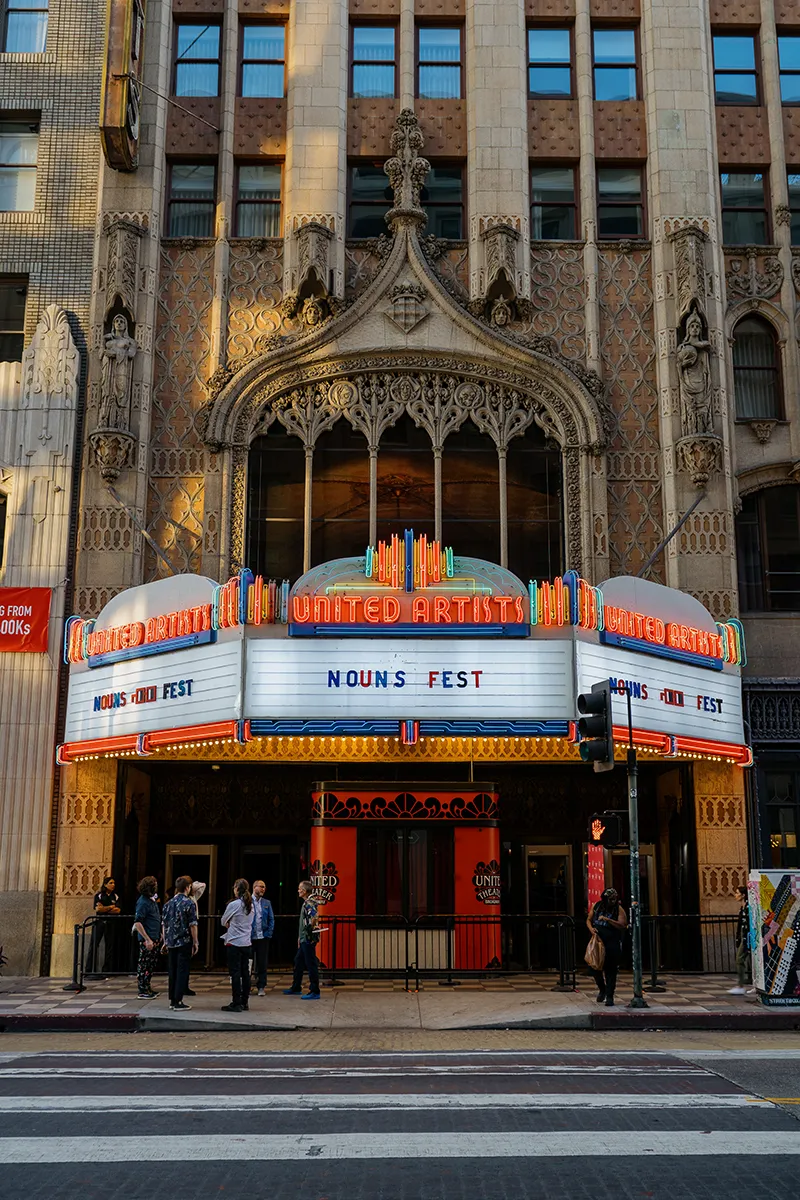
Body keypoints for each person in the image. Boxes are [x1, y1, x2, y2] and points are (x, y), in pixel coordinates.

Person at [161, 875, 198, 1011]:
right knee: (182, 970)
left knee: (172, 970)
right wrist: (196, 942)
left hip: (170, 941)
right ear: (187, 887)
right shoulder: (189, 903)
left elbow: (164, 924)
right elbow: (193, 924)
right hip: (184, 940)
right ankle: (178, 1000)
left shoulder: (168, 904)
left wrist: (165, 940)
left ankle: (172, 999)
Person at [586, 887, 628, 1007]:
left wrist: (608, 920)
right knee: (594, 967)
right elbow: (588, 920)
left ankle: (610, 995)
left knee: (610, 970)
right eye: (610, 899)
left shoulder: (618, 909)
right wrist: (591, 929)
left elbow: (622, 925)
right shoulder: (597, 906)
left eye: (614, 899)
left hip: (612, 942)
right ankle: (602, 989)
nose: (612, 901)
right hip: (598, 941)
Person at [283, 881, 321, 1000]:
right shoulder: (307, 902)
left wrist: (309, 930)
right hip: (304, 938)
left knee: (311, 964)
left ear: (304, 891)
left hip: (308, 939)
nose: (298, 891)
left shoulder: (309, 903)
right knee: (298, 961)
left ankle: (315, 990)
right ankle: (296, 986)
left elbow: (314, 916)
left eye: (300, 889)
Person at [220, 878, 253, 1013]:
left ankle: (236, 1002)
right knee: (246, 973)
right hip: (247, 942)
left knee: (235, 973)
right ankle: (245, 1001)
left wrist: (229, 923)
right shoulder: (251, 905)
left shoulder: (234, 904)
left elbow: (223, 921)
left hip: (234, 942)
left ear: (237, 889)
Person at [132, 875, 161, 999]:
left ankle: (147, 986)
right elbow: (138, 922)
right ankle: (142, 989)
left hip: (154, 937)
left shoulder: (151, 901)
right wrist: (147, 939)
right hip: (147, 939)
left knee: (150, 964)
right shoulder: (143, 902)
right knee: (144, 964)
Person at [86, 876, 120, 977]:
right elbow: (98, 909)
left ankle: (106, 970)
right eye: (111, 883)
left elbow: (118, 910)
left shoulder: (116, 896)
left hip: (111, 923)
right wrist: (110, 907)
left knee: (109, 947)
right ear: (105, 884)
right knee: (94, 945)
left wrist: (105, 908)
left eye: (114, 883)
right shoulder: (99, 896)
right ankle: (89, 970)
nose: (113, 885)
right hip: (100, 922)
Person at [250, 879, 275, 996]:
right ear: (254, 887)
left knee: (262, 962)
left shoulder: (266, 903)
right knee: (248, 962)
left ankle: (261, 986)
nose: (263, 889)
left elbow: (271, 919)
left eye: (264, 887)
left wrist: (269, 933)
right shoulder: (247, 901)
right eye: (261, 886)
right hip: (249, 937)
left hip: (262, 936)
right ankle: (247, 985)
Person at [729, 884, 754, 995]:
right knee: (746, 960)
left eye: (737, 893)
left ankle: (741, 985)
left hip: (749, 938)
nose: (735, 895)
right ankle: (745, 983)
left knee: (741, 959)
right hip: (745, 938)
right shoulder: (743, 908)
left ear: (743, 895)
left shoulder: (749, 908)